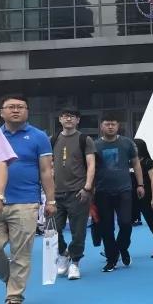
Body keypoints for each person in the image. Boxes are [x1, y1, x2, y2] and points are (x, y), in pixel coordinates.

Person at [0, 96, 54, 304]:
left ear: (27, 111)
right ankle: (12, 280)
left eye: (20, 107)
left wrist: (51, 201)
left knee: (21, 252)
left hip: (26, 201)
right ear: (1, 112)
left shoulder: (38, 136)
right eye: (11, 107)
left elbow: (46, 171)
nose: (16, 110)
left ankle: (14, 298)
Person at [94, 113, 144, 272]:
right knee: (106, 228)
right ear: (101, 126)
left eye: (113, 124)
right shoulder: (94, 145)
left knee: (126, 223)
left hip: (124, 190)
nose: (110, 127)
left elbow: (136, 164)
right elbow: (90, 168)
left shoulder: (127, 143)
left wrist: (140, 184)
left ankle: (121, 248)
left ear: (118, 126)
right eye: (107, 124)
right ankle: (111, 259)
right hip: (102, 191)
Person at [52, 108, 96, 281]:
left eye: (72, 116)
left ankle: (75, 262)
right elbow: (47, 164)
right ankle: (63, 253)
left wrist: (87, 187)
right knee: (53, 230)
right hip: (56, 193)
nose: (68, 119)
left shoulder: (85, 139)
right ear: (60, 119)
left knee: (78, 232)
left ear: (78, 120)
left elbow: (91, 165)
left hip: (78, 192)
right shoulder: (53, 139)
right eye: (65, 116)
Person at [133, 139, 153, 258]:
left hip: (146, 199)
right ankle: (116, 250)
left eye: (135, 147)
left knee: (152, 223)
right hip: (131, 198)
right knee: (125, 225)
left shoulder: (148, 162)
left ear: (140, 148)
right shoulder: (129, 162)